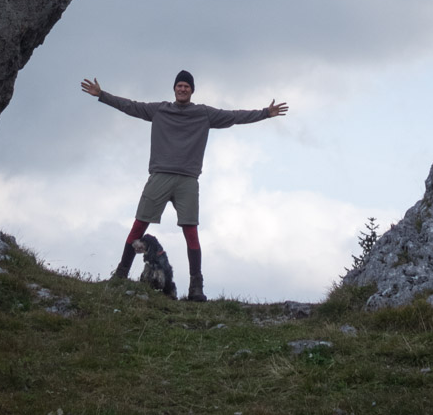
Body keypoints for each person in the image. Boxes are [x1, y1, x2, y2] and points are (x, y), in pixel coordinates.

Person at [81, 70, 288, 301]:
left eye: (186, 86)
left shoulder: (203, 113)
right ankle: (120, 276)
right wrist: (102, 95)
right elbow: (131, 106)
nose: (182, 89)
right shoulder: (159, 110)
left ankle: (196, 287)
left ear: (192, 90)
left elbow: (233, 116)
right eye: (179, 85)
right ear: (174, 89)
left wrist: (264, 113)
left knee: (191, 231)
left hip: (188, 180)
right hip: (160, 176)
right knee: (139, 226)